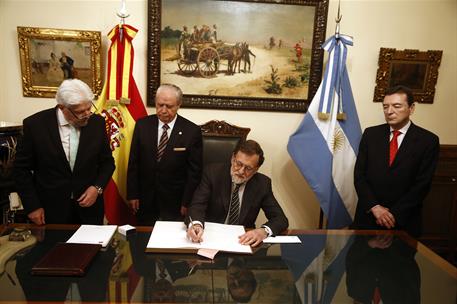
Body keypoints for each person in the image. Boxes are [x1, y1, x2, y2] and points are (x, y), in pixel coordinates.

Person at [13, 79, 115, 225]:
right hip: (50, 210)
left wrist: (97, 188)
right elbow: (20, 170)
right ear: (62, 107)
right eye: (80, 112)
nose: (87, 114)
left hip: (90, 211)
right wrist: (32, 206)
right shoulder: (35, 125)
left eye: (89, 108)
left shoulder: (97, 122)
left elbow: (107, 163)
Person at [352, 85, 439, 237]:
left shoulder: (428, 141)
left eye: (396, 106)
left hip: (404, 222)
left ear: (411, 108)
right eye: (385, 106)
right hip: (368, 219)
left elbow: (422, 184)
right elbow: (359, 175)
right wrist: (375, 208)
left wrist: (393, 215)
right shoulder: (370, 134)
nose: (389, 111)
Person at [187, 139, 288, 246]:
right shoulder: (212, 173)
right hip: (209, 238)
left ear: (256, 169)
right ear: (232, 158)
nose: (241, 171)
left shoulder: (262, 184)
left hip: (242, 242)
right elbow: (197, 205)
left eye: (248, 168)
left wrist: (263, 231)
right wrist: (196, 225)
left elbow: (280, 219)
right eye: (238, 164)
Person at [127, 84, 203, 225]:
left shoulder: (192, 131)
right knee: (143, 240)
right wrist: (133, 194)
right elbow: (134, 163)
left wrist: (186, 203)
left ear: (179, 105)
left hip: (175, 202)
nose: (163, 110)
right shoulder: (142, 125)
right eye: (159, 105)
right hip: (145, 199)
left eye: (169, 106)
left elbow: (194, 172)